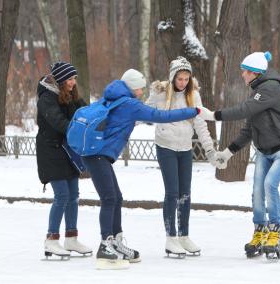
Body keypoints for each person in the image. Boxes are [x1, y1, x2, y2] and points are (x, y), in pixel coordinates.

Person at [79, 69, 200, 269]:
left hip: (96, 153)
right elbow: (159, 115)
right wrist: (192, 111)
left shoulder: (113, 96)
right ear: (133, 88)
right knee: (110, 198)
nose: (142, 92)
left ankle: (115, 242)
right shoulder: (129, 104)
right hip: (97, 154)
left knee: (116, 197)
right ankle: (105, 248)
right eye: (140, 88)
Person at [198, 51, 280, 259]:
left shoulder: (270, 88)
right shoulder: (257, 92)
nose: (242, 75)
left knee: (270, 184)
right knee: (257, 190)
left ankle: (275, 232)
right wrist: (227, 153)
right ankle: (260, 231)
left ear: (254, 73)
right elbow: (249, 129)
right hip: (265, 150)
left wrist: (213, 115)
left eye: (245, 72)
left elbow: (244, 110)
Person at [146, 56, 218, 258]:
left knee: (185, 192)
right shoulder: (160, 93)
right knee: (172, 192)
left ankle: (184, 235)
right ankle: (171, 238)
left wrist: (210, 150)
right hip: (165, 146)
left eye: (187, 79)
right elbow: (143, 112)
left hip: (185, 148)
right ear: (172, 77)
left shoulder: (193, 95)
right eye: (180, 79)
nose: (183, 83)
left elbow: (201, 123)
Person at [36, 62, 92, 260]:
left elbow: (86, 112)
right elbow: (59, 122)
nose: (73, 82)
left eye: (74, 78)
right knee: (62, 195)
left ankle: (71, 237)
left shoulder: (71, 95)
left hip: (68, 151)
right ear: (59, 81)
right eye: (69, 79)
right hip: (50, 151)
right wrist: (80, 129)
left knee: (74, 195)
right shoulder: (46, 98)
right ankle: (51, 240)